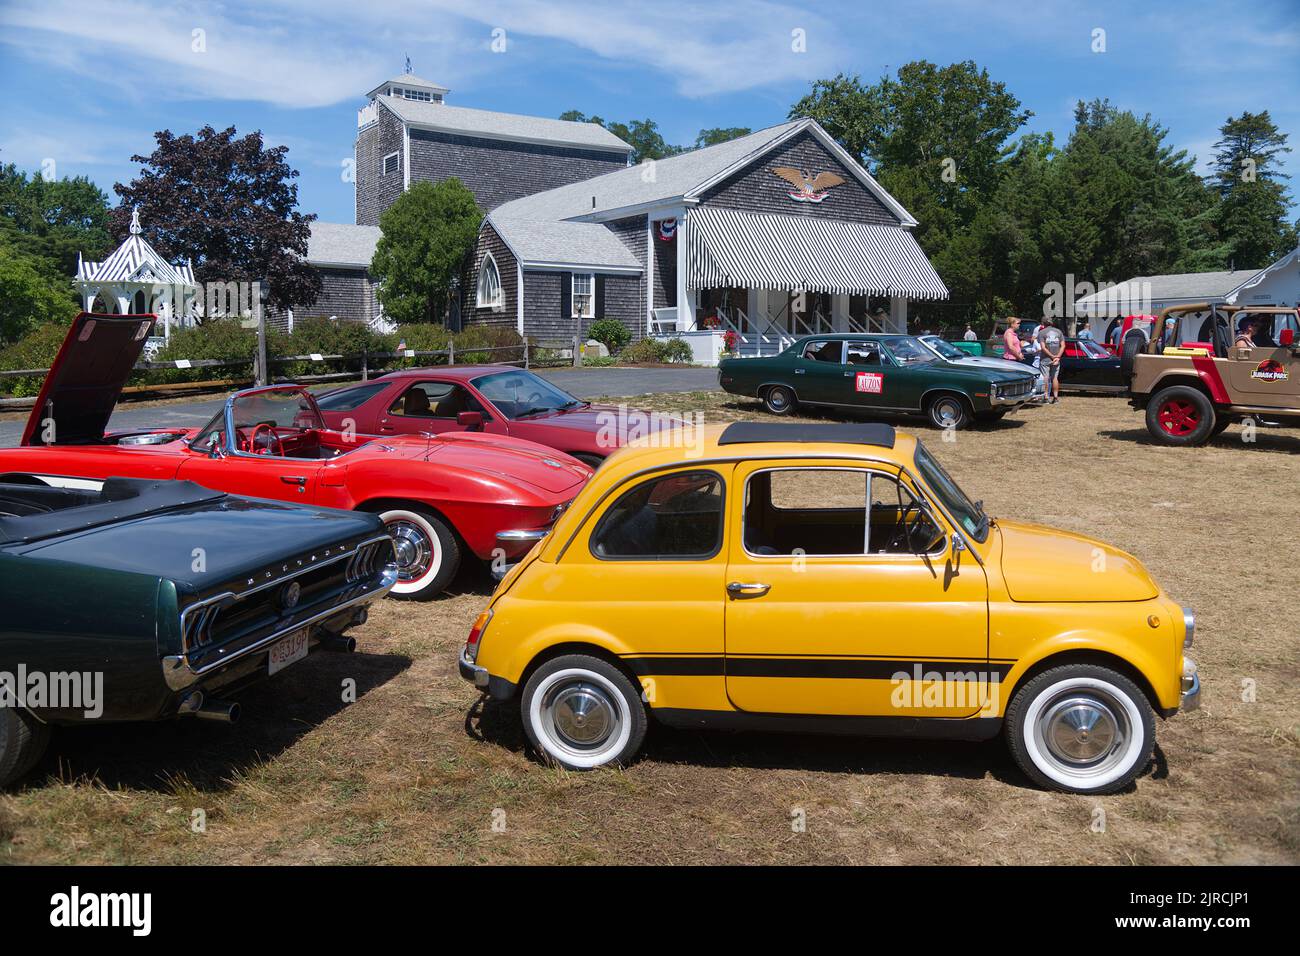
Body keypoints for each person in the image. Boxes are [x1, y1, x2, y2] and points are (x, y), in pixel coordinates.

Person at [1036, 317, 1065, 403]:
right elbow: (1063, 345)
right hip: (1056, 358)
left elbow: (1043, 347)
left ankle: (1045, 397)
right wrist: (1058, 357)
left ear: (1043, 323)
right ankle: (1055, 398)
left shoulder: (1041, 332)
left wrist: (1052, 356)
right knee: (1055, 378)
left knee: (1045, 377)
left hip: (1045, 358)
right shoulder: (1059, 332)